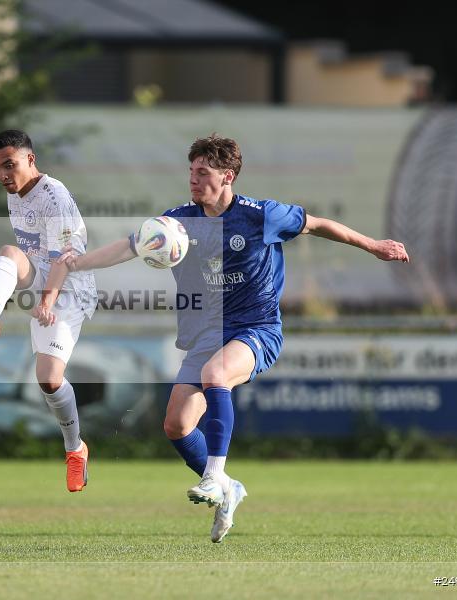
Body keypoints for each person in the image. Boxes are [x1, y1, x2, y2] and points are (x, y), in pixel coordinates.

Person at [59, 134, 409, 541]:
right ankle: (228, 489)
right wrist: (77, 263)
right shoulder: (176, 222)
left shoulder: (261, 215)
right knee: (175, 425)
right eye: (190, 171)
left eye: (202, 172)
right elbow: (130, 246)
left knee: (217, 373)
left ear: (227, 176)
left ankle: (214, 475)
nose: (193, 179)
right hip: (208, 331)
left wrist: (374, 245)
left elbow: (319, 224)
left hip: (255, 328)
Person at [0, 129, 98, 492]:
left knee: (49, 379)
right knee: (9, 252)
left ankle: (75, 449)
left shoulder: (53, 196)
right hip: (43, 275)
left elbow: (64, 257)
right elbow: (37, 256)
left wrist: (45, 301)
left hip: (70, 287)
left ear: (31, 159)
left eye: (9, 165)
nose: (2, 175)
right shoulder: (16, 195)